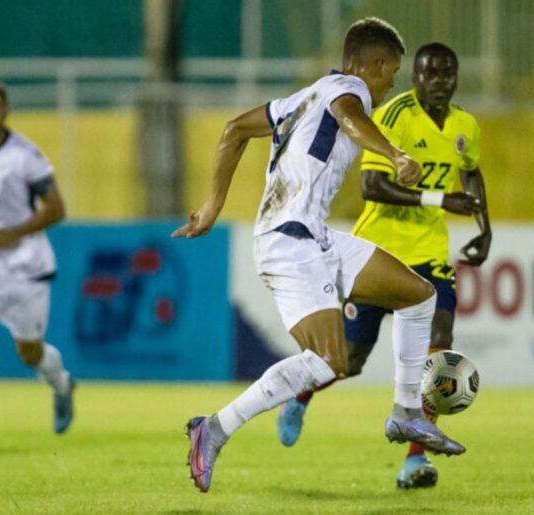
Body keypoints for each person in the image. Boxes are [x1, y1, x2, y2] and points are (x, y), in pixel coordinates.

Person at [172, 18, 466, 494]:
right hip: (289, 242)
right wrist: (395, 154)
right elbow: (351, 114)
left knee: (417, 295)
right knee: (329, 361)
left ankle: (406, 412)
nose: (389, 85)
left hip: (315, 236)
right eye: (389, 74)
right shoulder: (349, 89)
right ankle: (216, 427)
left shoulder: (297, 99)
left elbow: (233, 130)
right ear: (373, 65)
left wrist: (212, 206)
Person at [276, 42, 491, 489]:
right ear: (414, 77)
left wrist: (484, 227)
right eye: (431, 74)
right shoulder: (394, 116)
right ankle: (300, 394)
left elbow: (470, 170)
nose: (440, 82)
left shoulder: (465, 124)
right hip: (377, 255)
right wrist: (440, 198)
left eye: (448, 74)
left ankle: (415, 460)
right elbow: (373, 185)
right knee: (348, 361)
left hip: (429, 256)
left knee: (439, 343)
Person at [0, 78, 75, 434]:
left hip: (24, 267)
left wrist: (12, 233)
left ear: (6, 111)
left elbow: (56, 209)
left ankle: (61, 384)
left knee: (29, 351)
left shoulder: (24, 155)